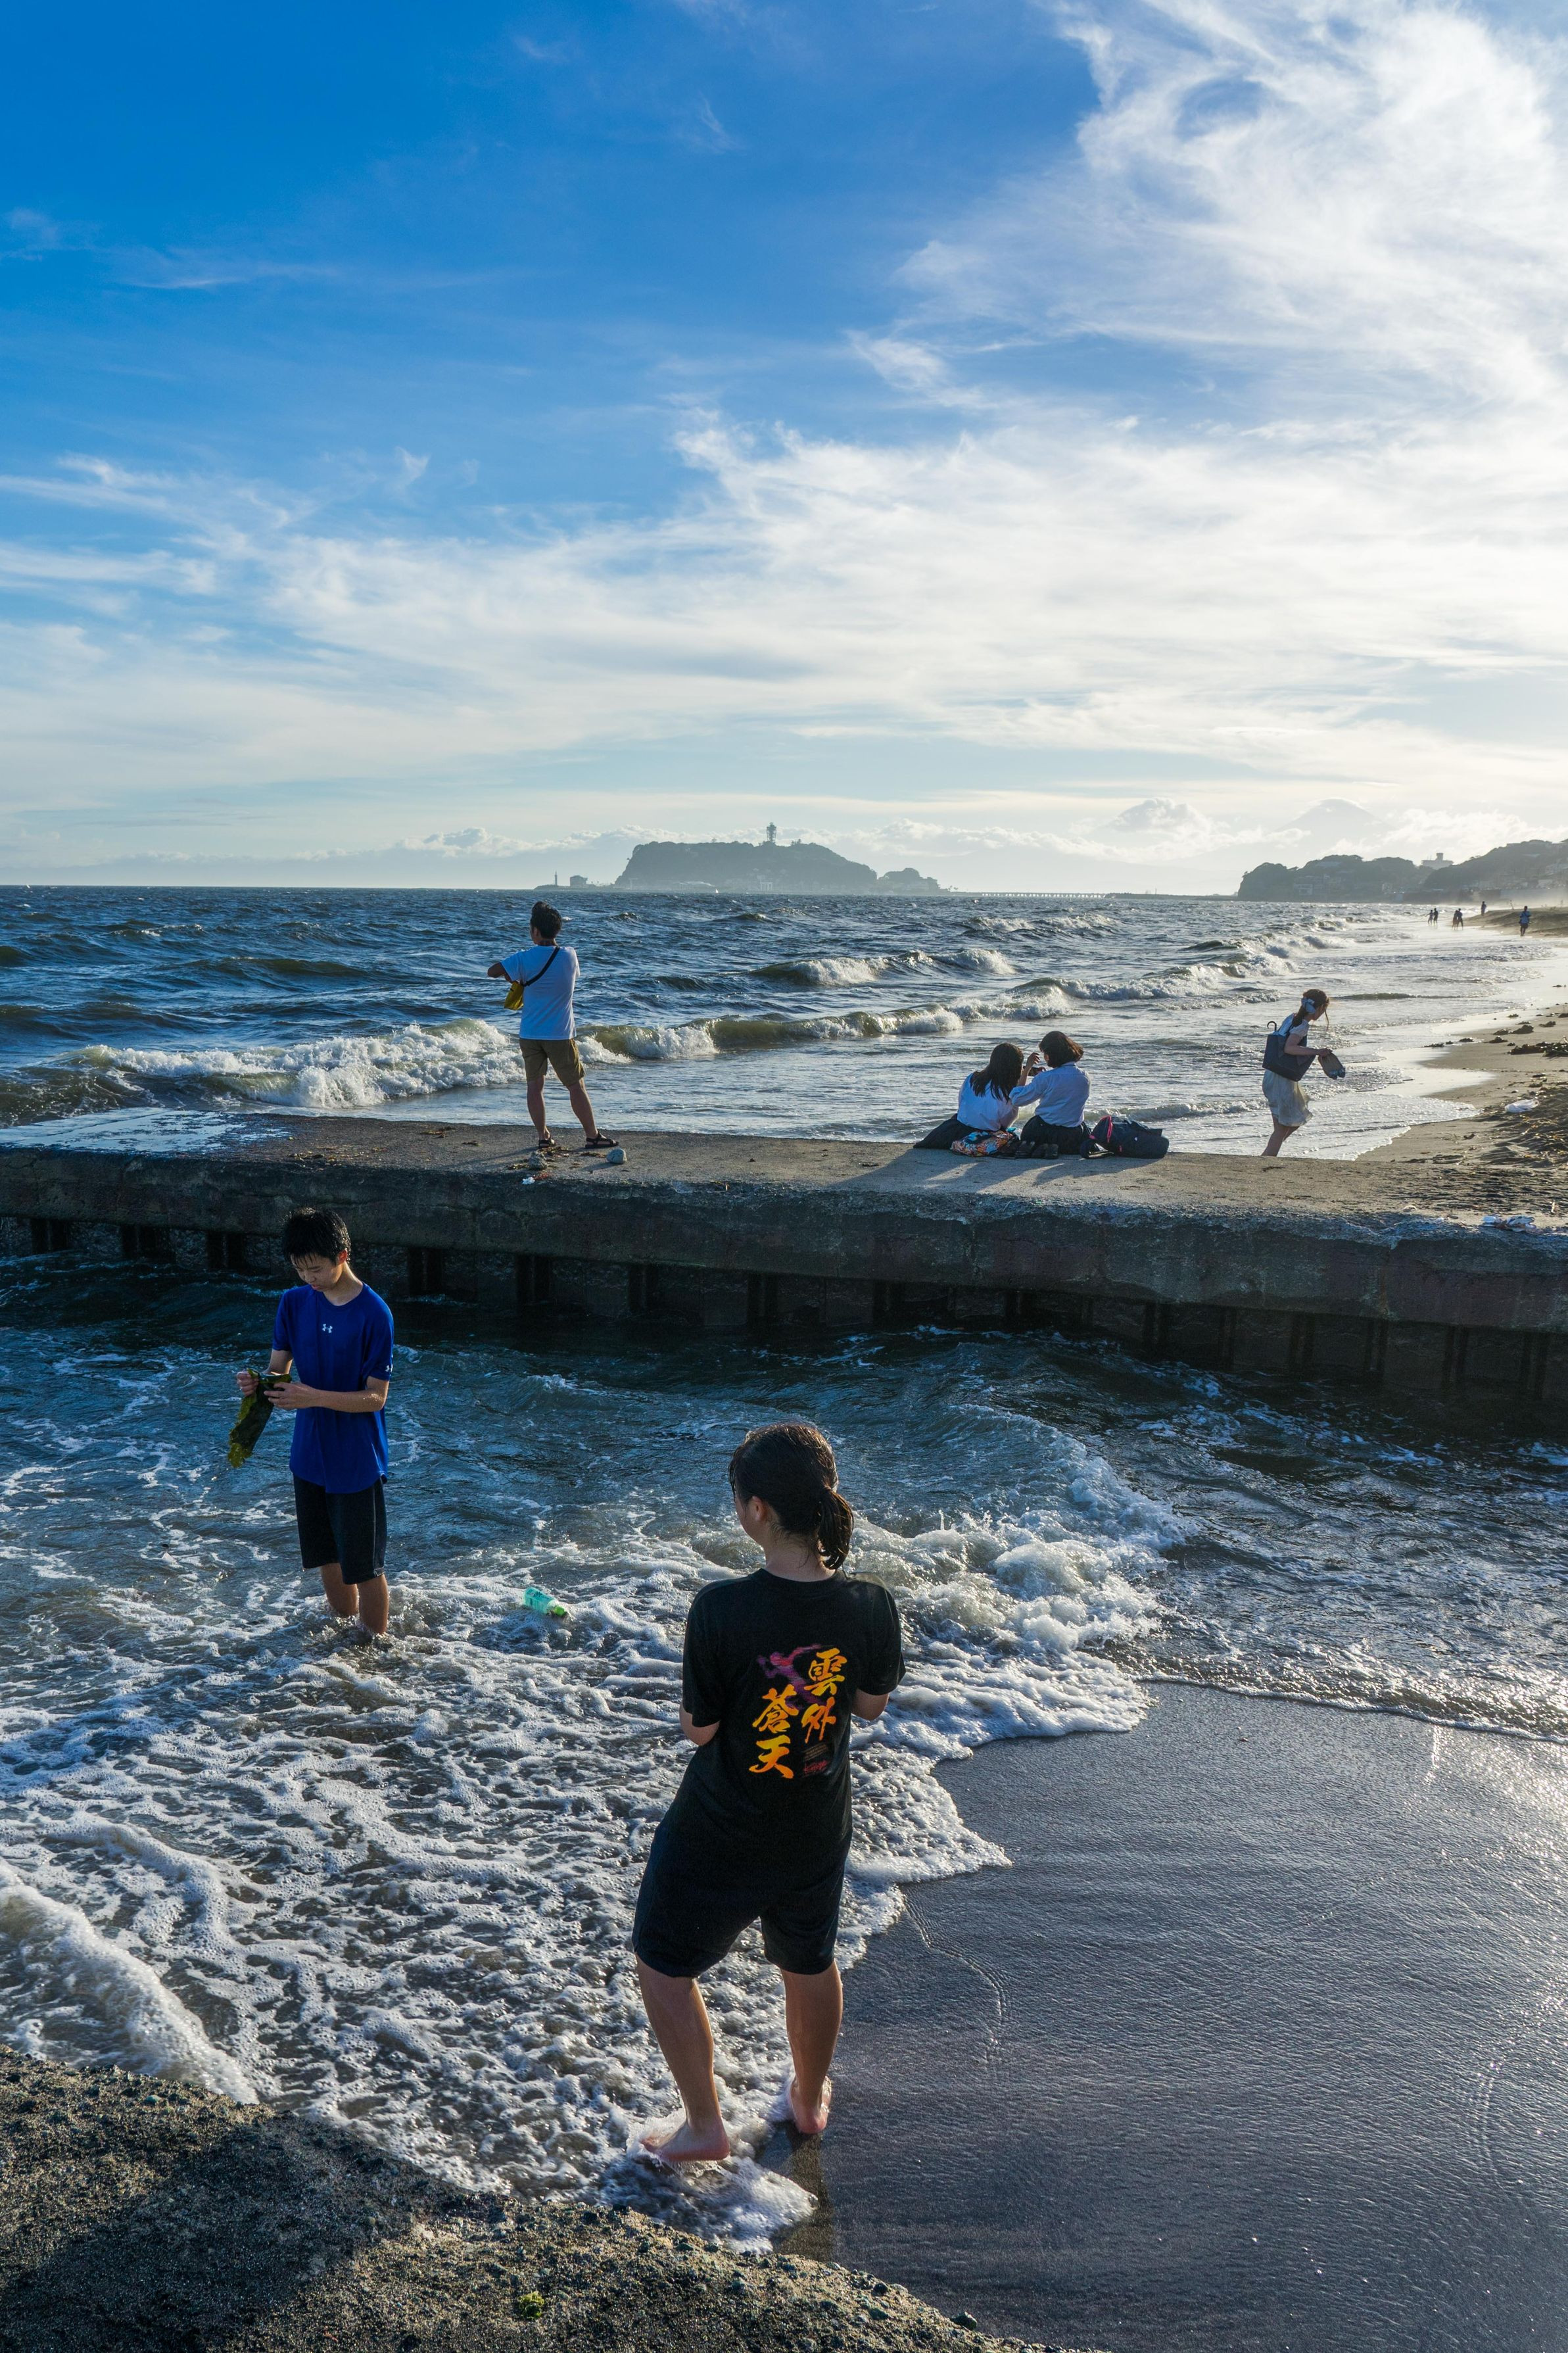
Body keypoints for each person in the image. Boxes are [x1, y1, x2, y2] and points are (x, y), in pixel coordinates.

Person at [632, 1422, 904, 2162]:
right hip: (816, 1820)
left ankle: (704, 2127)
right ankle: (808, 2100)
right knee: (808, 1960)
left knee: (662, 1962)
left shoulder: (722, 1608)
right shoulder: (871, 1603)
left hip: (723, 1823)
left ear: (756, 1509)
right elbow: (870, 1705)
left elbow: (700, 1729)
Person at [236, 1207, 395, 1637]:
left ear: (342, 1256)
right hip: (308, 1457)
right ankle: (343, 1640)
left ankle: (376, 1650)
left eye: (317, 1268)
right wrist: (257, 1384)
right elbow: (278, 1372)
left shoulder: (375, 1314)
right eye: (300, 1269)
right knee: (327, 1557)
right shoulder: (293, 1303)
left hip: (356, 1459)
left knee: (365, 1566)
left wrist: (315, 1397)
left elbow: (376, 1398)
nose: (309, 1278)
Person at [487, 900, 617, 1153]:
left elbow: (492, 971)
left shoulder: (523, 958)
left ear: (535, 931)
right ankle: (592, 1136)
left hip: (530, 1034)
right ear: (557, 930)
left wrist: (513, 974)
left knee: (535, 1087)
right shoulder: (569, 956)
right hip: (559, 1034)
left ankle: (543, 1137)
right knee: (575, 1086)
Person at [1261, 988, 1333, 1158]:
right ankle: (1266, 1159)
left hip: (1272, 1074)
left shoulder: (1292, 1018)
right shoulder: (1302, 1025)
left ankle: (1267, 1154)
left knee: (1288, 1123)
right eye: (1324, 1010)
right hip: (1282, 1078)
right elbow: (1289, 1048)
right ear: (1320, 1008)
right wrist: (1317, 1051)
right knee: (1282, 1128)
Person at [915, 1042, 1025, 1150]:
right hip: (983, 1136)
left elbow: (962, 1103)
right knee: (1012, 1138)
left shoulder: (973, 1078)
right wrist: (1026, 1071)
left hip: (958, 1129)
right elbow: (1006, 1124)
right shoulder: (1007, 1092)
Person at [1009, 1029, 1091, 1155]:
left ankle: (1047, 1146)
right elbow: (1063, 1088)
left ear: (1050, 1054)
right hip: (1074, 1134)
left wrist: (1026, 1070)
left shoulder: (1046, 1078)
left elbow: (1017, 1100)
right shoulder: (1085, 1076)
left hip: (1045, 1131)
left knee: (1033, 1125)